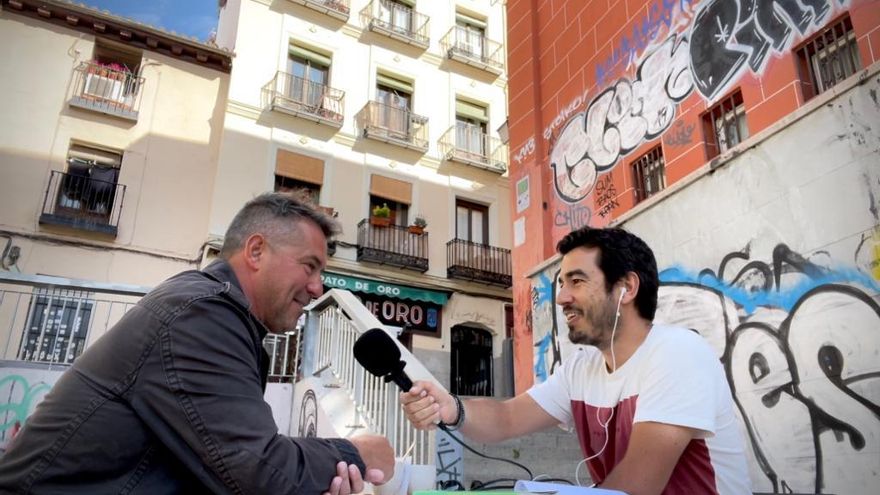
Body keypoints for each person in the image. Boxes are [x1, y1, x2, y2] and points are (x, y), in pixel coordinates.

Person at [0, 192, 395, 494]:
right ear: (256, 251)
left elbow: (231, 466)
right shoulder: (203, 314)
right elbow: (257, 471)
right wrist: (357, 453)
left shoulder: (212, 311)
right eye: (310, 267)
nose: (316, 287)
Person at [401, 227, 751, 495]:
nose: (562, 298)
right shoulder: (581, 368)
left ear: (627, 288)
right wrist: (451, 408)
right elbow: (507, 418)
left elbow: (634, 486)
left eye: (578, 281)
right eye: (562, 283)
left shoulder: (678, 353)